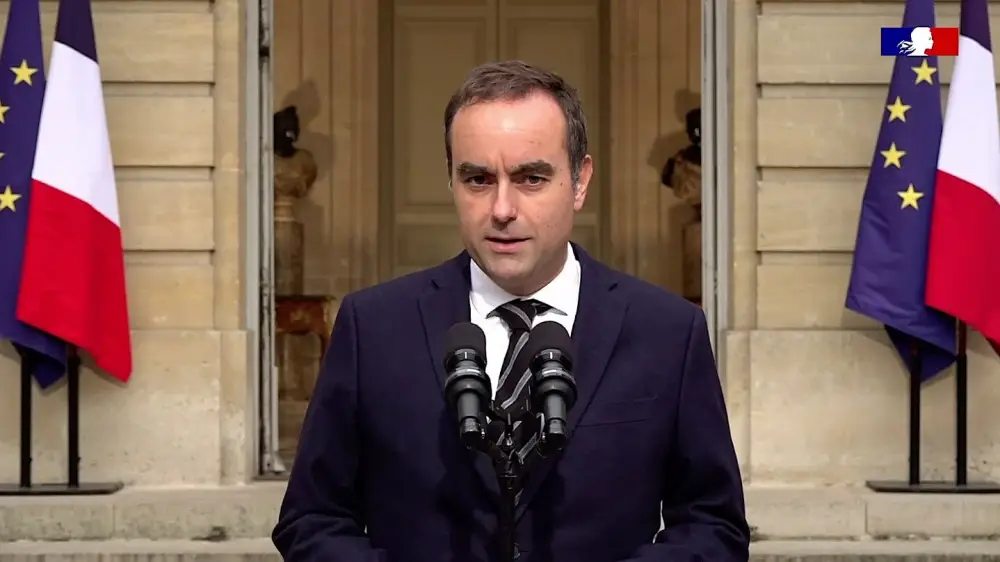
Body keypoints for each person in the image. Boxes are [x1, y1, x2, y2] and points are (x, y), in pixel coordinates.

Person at [272, 60, 750, 562]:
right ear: (451, 182)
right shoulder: (373, 327)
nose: (502, 209)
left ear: (580, 181)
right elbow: (312, 519)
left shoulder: (667, 332)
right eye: (478, 179)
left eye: (531, 178)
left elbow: (713, 526)